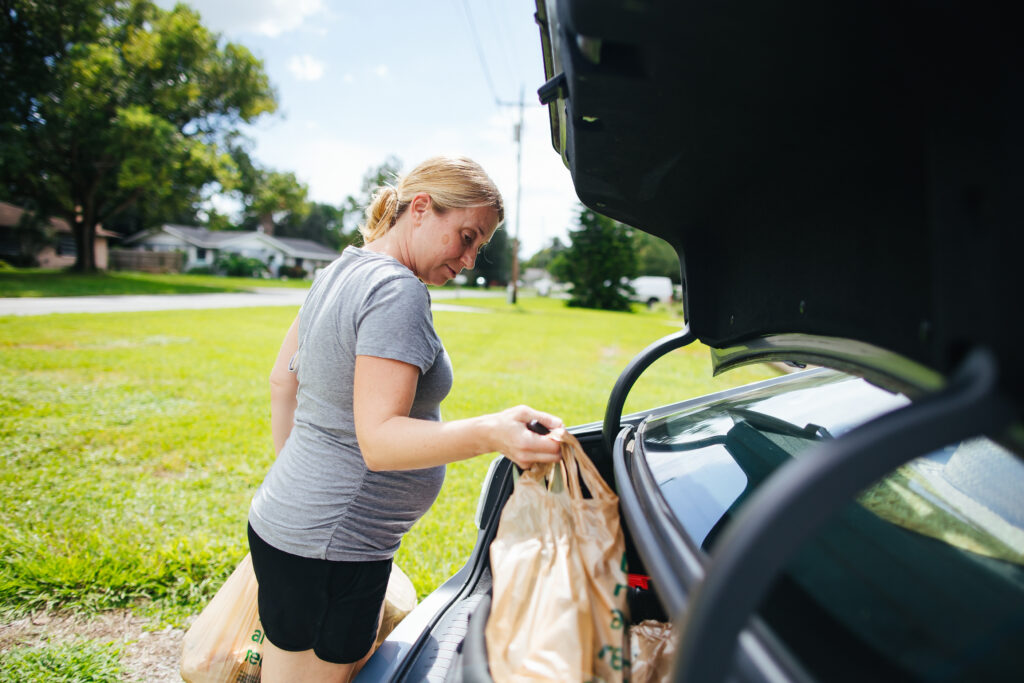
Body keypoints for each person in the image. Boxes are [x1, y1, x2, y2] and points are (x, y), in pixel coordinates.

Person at [247, 156, 564, 682]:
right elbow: (381, 441)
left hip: (295, 527)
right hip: (333, 549)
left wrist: (301, 490)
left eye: (479, 246)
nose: (468, 260)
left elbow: (284, 381)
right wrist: (493, 431)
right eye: (465, 236)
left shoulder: (340, 269)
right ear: (420, 208)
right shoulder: (397, 290)